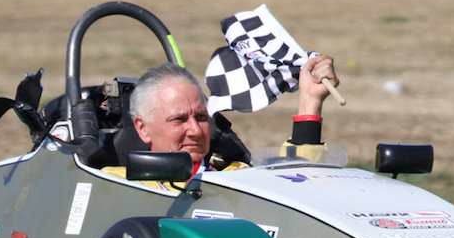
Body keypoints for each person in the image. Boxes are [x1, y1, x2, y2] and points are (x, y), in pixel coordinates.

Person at [126, 54, 339, 176]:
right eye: (178, 120)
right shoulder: (117, 185)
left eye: (201, 117)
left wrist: (310, 102)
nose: (196, 131)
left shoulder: (236, 178)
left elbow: (297, 183)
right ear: (143, 128)